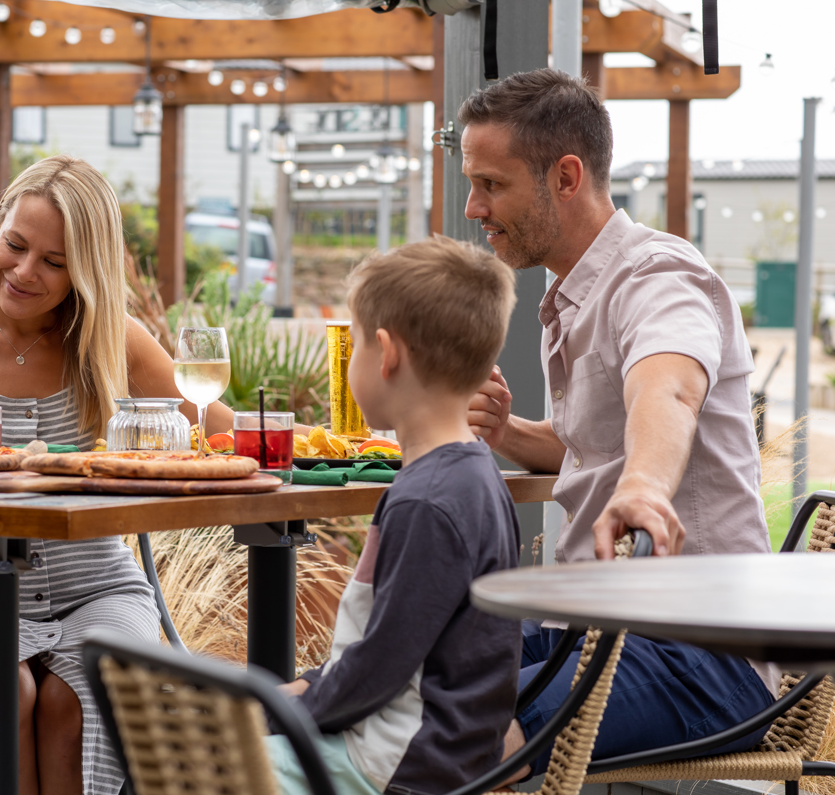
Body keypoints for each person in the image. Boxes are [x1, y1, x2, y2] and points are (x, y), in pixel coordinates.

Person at [458, 68, 777, 779]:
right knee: (403, 681)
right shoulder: (574, 293)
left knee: (455, 736)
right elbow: (591, 444)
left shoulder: (657, 278)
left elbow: (667, 395)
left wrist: (644, 488)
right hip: (589, 627)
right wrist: (510, 432)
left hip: (696, 651)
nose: (474, 207)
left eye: (491, 184)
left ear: (565, 176)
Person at [0, 155, 243, 795]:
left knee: (79, 697)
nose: (25, 271)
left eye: (55, 262)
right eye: (16, 246)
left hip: (99, 591)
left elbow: (221, 429)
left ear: (84, 270)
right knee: (0, 692)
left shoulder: (110, 339)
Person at [268, 236, 522, 795]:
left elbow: (381, 667)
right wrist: (312, 686)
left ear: (385, 353)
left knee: (211, 757)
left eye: (356, 343)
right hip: (443, 745)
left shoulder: (428, 499)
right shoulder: (476, 475)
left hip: (400, 758)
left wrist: (286, 713)